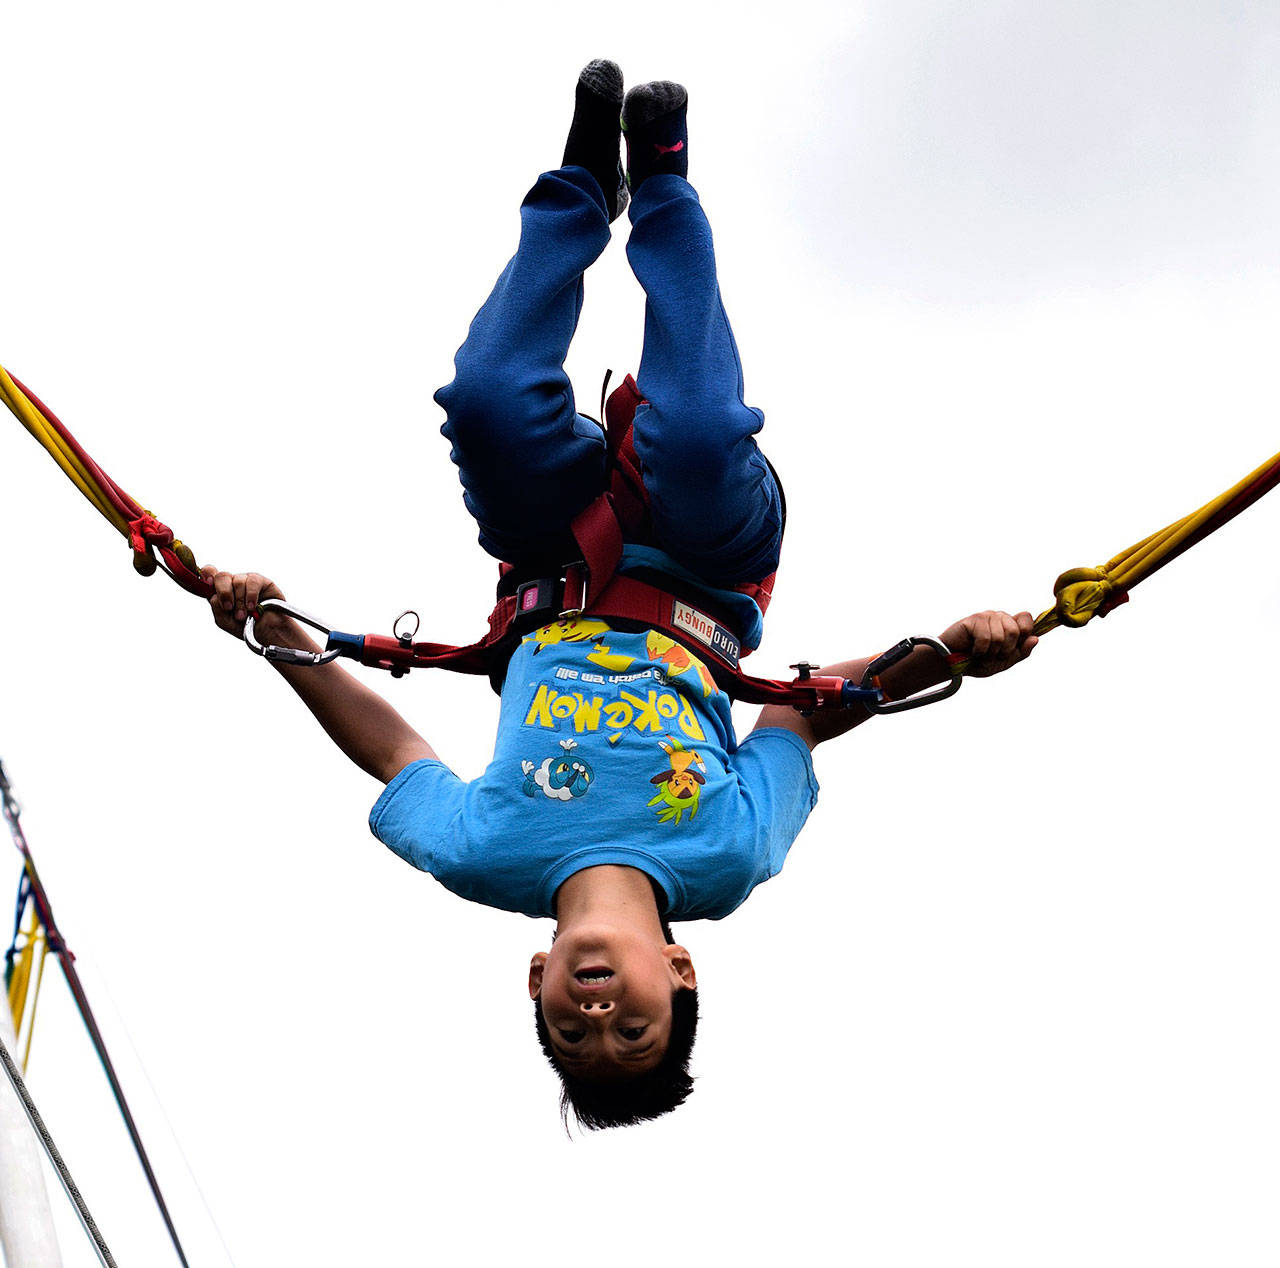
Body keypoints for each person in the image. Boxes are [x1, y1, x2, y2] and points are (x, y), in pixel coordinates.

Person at [201, 63, 1038, 1130]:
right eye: (631, 1029)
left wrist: (268, 627)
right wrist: (953, 650)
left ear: (536, 979)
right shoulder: (729, 855)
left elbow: (389, 751)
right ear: (681, 972)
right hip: (706, 566)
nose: (598, 1018)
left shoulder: (481, 854)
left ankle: (580, 185)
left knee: (489, 400)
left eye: (571, 1031)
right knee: (693, 432)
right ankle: (666, 183)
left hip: (548, 560)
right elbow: (801, 710)